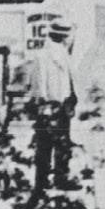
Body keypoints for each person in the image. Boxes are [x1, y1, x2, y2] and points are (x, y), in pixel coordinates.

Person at [26, 20, 78, 194]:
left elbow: (70, 79)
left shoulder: (63, 53)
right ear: (63, 37)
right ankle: (41, 182)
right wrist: (42, 104)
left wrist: (72, 98)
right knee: (45, 146)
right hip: (50, 105)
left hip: (63, 103)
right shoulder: (43, 56)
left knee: (63, 143)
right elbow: (39, 83)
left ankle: (60, 176)